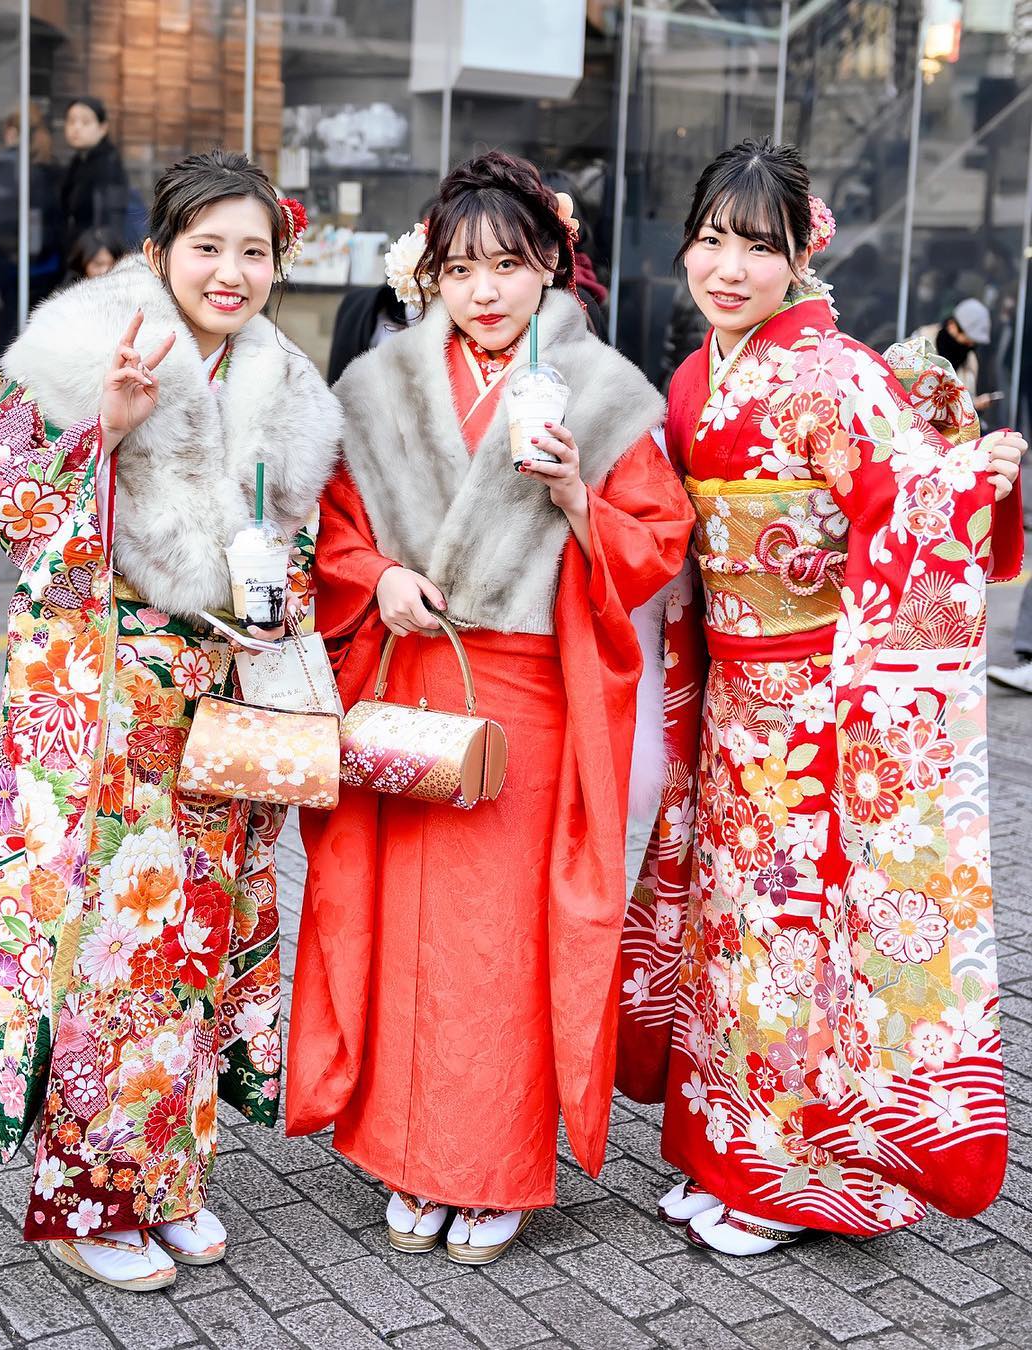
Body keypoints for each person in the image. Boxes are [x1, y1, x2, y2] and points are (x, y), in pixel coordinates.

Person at [616, 138, 1026, 1256]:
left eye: (760, 245)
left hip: (817, 709)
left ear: (803, 254)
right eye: (712, 240)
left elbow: (908, 510)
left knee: (800, 942)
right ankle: (730, 1156)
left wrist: (968, 486)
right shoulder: (701, 375)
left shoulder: (837, 373)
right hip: (732, 702)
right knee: (731, 936)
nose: (730, 267)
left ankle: (811, 1178)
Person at [287, 149, 693, 1264]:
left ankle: (495, 1169)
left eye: (509, 264)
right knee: (407, 931)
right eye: (460, 266)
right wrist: (379, 582)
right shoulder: (380, 384)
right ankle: (410, 1157)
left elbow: (657, 544)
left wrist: (572, 492)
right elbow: (335, 529)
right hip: (414, 683)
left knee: (504, 942)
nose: (484, 289)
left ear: (553, 266)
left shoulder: (605, 392)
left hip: (527, 701)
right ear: (430, 274)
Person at [0, 149, 341, 1291]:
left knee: (201, 944)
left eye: (254, 252)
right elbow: (1, 498)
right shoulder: (86, 350)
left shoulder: (285, 383)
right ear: (160, 248)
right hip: (110, 696)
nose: (230, 272)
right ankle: (86, 1198)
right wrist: (106, 431)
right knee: (115, 945)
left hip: (223, 698)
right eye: (207, 247)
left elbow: (300, 549)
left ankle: (167, 1184)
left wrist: (280, 600)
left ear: (282, 262)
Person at [60, 97, 130, 252]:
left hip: (97, 256)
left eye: (85, 122)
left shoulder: (108, 165)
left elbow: (111, 219)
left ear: (103, 128)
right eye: (71, 121)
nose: (76, 128)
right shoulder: (78, 162)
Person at [915, 297, 999, 414]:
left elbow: (965, 400)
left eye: (973, 342)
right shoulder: (920, 343)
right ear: (952, 326)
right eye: (967, 339)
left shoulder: (970, 361)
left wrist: (974, 405)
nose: (970, 345)